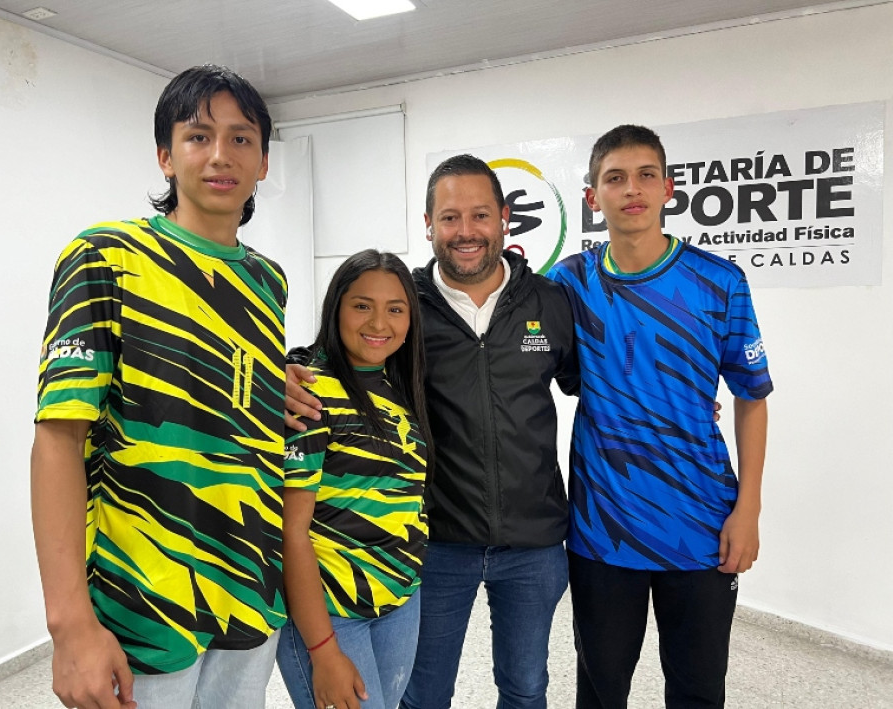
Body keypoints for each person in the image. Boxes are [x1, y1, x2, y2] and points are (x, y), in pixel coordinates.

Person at [31, 65, 287, 709]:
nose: (221, 155)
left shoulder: (268, 281)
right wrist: (69, 627)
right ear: (165, 156)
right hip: (141, 602)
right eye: (199, 137)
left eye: (241, 138)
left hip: (250, 592)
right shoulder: (104, 256)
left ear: (262, 162)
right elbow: (58, 438)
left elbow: (220, 384)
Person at [287, 155, 580, 708]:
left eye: (479, 215)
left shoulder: (549, 301)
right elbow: (339, 351)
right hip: (437, 543)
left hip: (535, 542)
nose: (465, 231)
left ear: (504, 220)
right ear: (428, 224)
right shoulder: (407, 304)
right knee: (423, 695)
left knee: (527, 687)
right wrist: (285, 369)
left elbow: (588, 383)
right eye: (449, 218)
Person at [546, 124, 772, 708]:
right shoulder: (567, 284)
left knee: (698, 690)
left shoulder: (720, 282)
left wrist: (748, 508)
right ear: (593, 197)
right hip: (602, 527)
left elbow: (751, 397)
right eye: (615, 178)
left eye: (647, 174)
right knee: (599, 690)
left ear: (669, 187)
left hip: (700, 524)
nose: (633, 189)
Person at [277, 249, 432, 709]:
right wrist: (323, 652)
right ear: (336, 308)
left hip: (400, 598)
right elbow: (291, 530)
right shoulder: (310, 393)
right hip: (330, 611)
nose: (379, 323)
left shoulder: (399, 387)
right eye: (362, 305)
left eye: (396, 309)